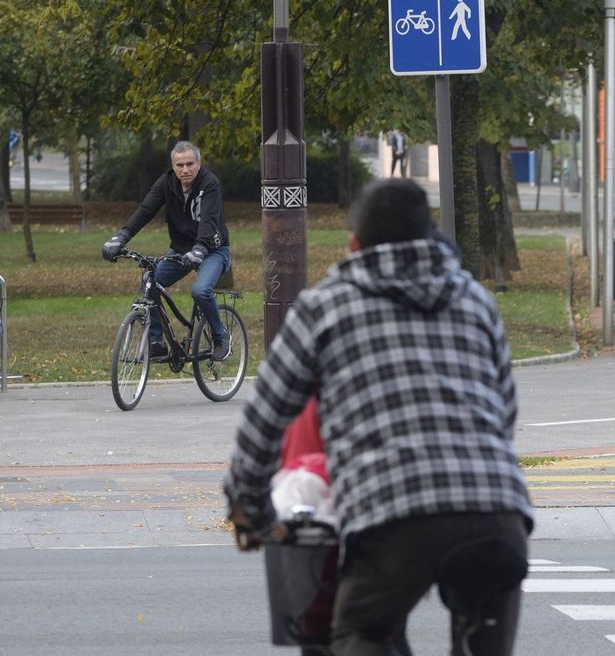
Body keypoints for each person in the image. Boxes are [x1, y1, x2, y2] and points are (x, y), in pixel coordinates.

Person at [224, 178, 534, 656]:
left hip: (391, 513)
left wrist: (252, 512)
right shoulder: (475, 299)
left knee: (360, 633)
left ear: (353, 243)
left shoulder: (324, 306)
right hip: (496, 511)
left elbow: (266, 421)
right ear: (427, 235)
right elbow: (504, 413)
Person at [101, 141, 232, 360]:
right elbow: (145, 210)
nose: (185, 169)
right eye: (180, 165)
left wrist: (200, 248)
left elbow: (209, 220)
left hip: (212, 250)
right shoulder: (166, 183)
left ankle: (220, 336)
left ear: (199, 164)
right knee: (149, 284)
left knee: (200, 291)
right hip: (180, 250)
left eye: (190, 164)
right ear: (173, 165)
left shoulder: (210, 183)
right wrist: (121, 237)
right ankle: (156, 342)